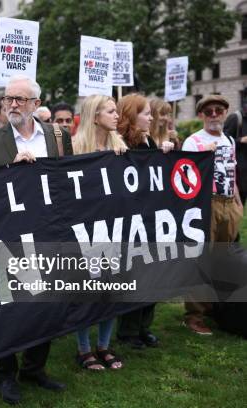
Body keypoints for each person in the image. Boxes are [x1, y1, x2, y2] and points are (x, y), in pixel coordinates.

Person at [0, 74, 70, 405]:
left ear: (36, 104)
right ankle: (6, 372)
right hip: (8, 234)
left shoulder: (58, 136)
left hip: (48, 231)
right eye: (7, 98)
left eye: (19, 99)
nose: (12, 104)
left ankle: (35, 367)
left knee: (46, 303)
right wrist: (10, 173)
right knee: (11, 307)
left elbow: (66, 181)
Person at [72, 95, 126, 370]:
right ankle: (83, 349)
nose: (117, 116)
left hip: (113, 227)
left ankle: (104, 346)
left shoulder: (120, 146)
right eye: (111, 111)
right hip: (85, 228)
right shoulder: (74, 148)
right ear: (95, 116)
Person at [114, 94, 172, 349]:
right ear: (131, 115)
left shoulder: (148, 140)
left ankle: (143, 327)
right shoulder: (119, 144)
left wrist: (162, 153)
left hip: (151, 218)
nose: (152, 117)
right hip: (130, 222)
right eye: (146, 113)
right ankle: (128, 331)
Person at [182, 94, 243, 335]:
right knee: (201, 259)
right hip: (205, 204)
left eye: (219, 110)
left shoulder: (229, 139)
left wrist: (236, 200)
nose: (214, 115)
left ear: (226, 112)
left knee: (223, 259)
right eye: (209, 112)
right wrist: (202, 155)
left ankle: (217, 308)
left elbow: (231, 170)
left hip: (229, 204)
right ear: (201, 116)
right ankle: (194, 315)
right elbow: (184, 177)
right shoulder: (193, 141)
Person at [223, 98, 247, 204]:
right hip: (239, 170)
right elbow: (224, 139)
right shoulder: (236, 118)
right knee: (239, 204)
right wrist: (240, 140)